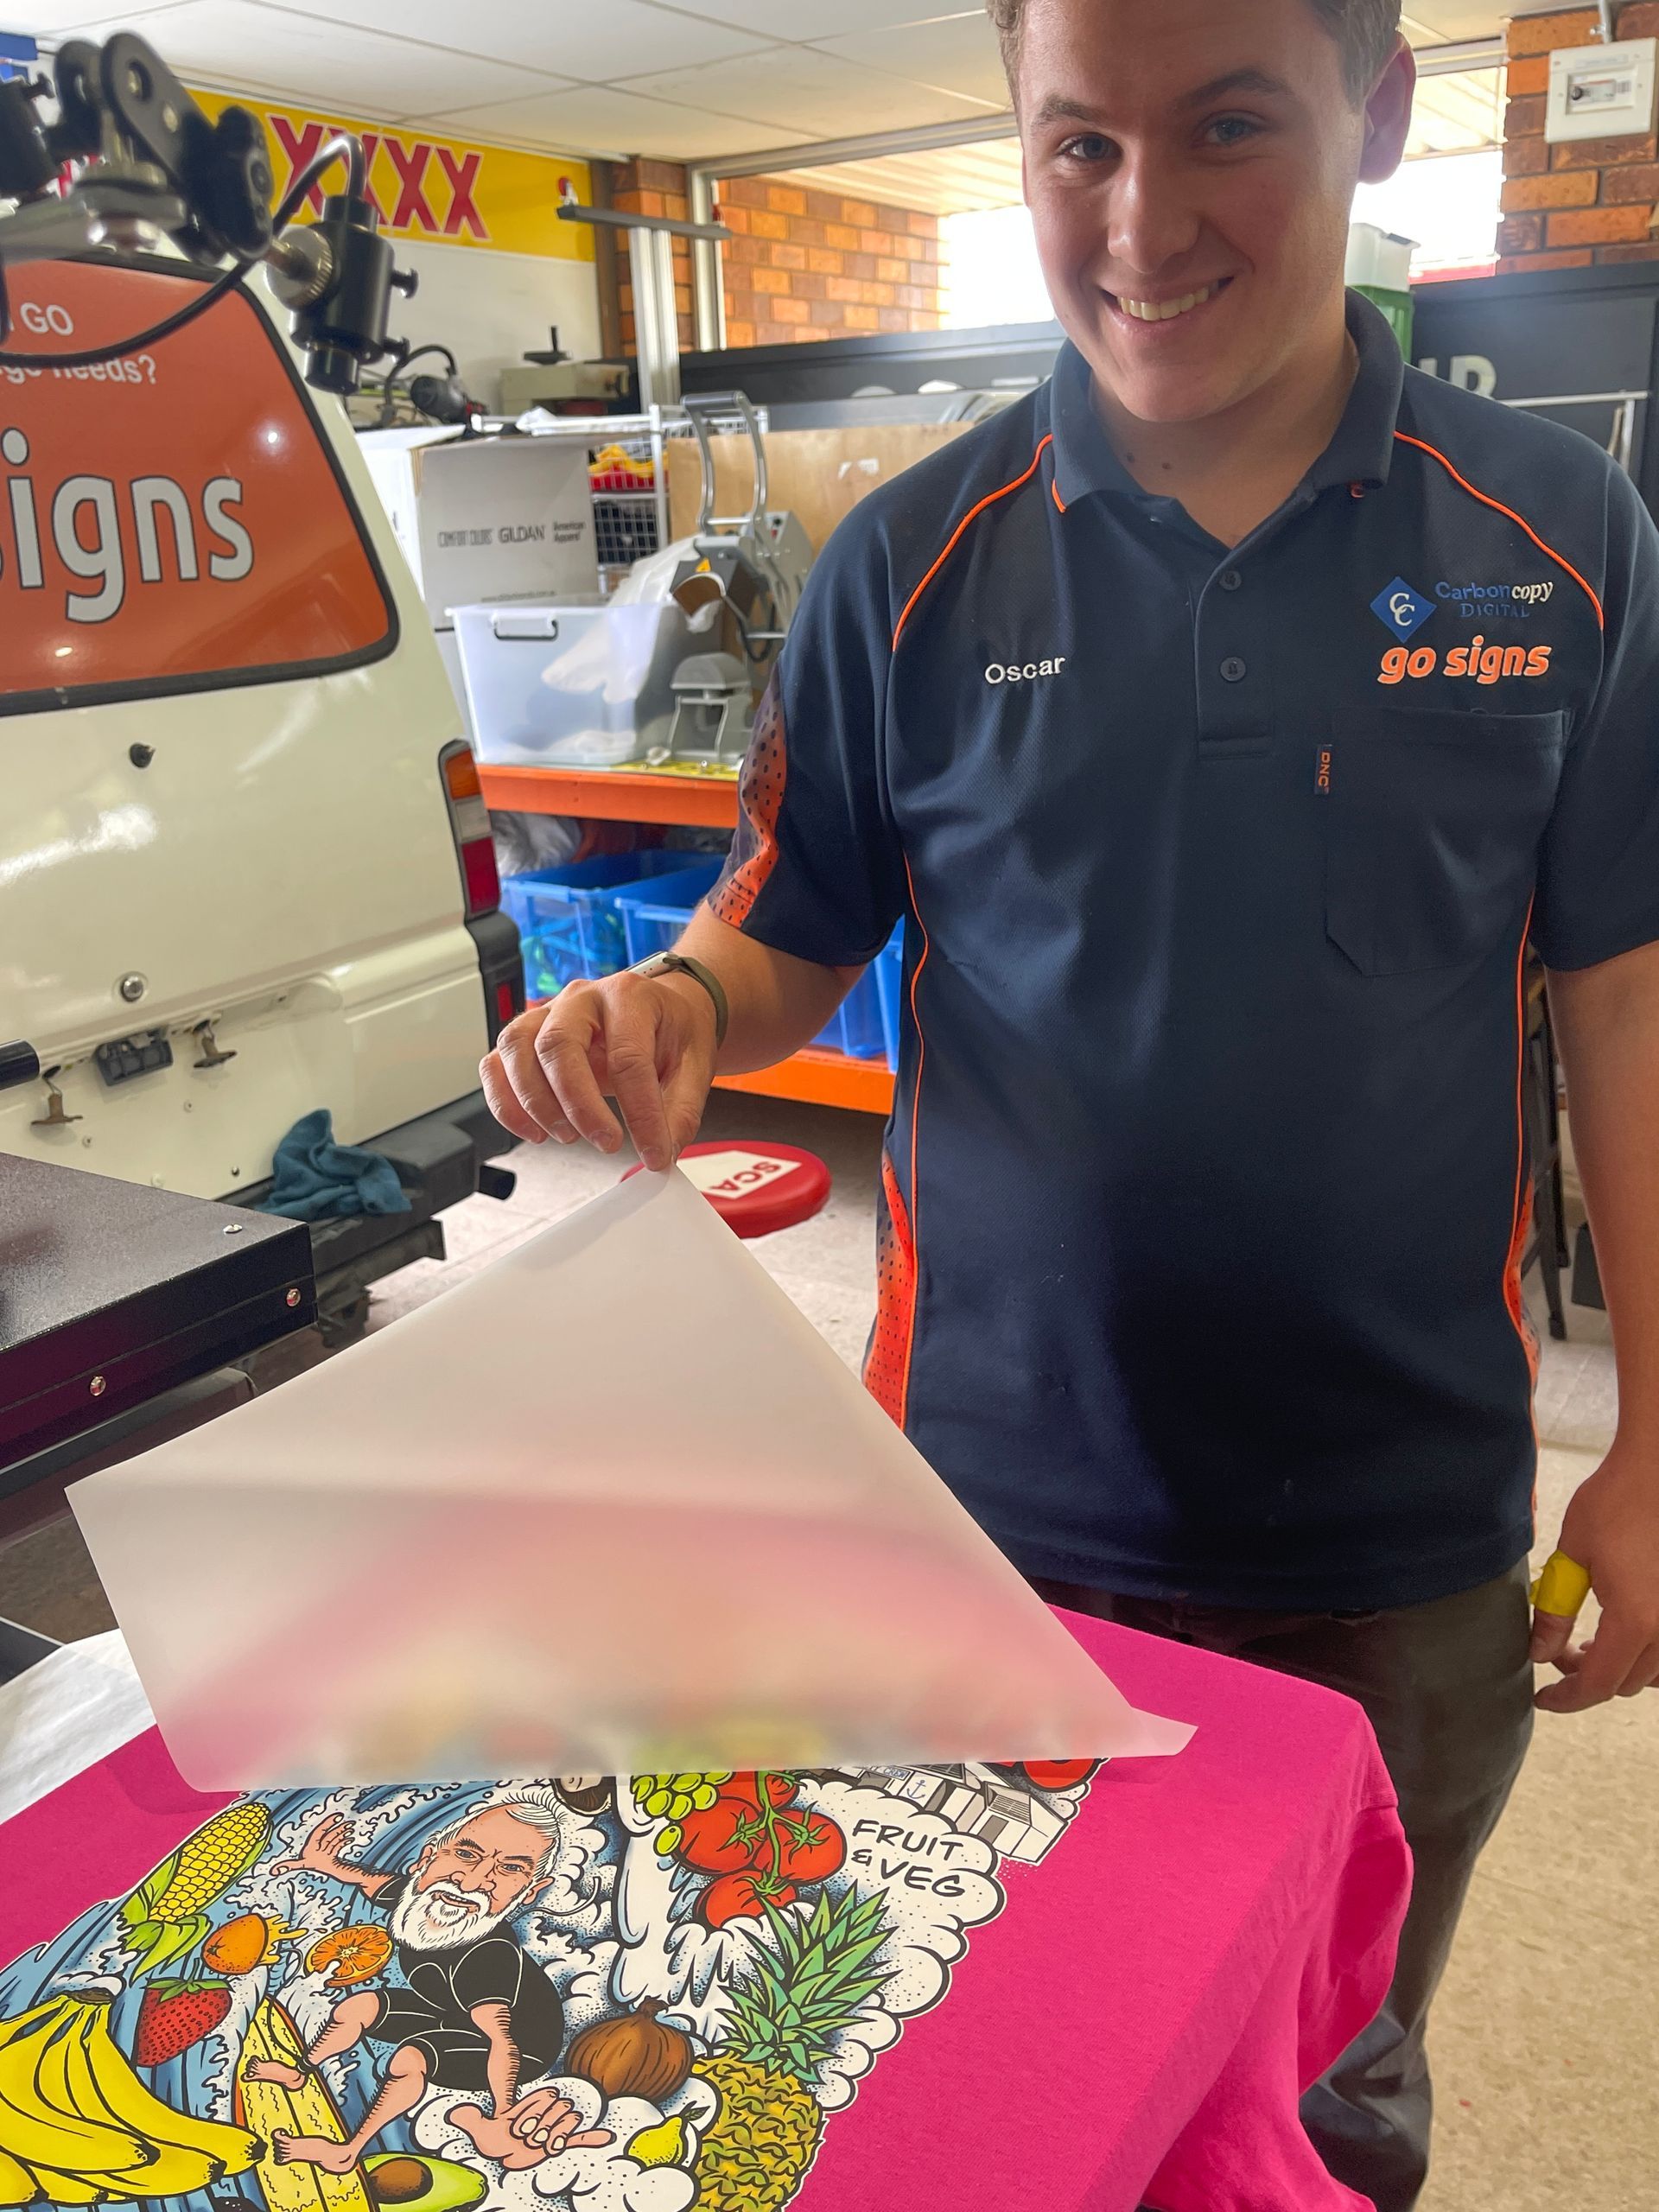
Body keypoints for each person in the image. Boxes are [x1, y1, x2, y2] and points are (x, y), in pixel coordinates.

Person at [480, 1, 1659, 2202]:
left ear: (1378, 110)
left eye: (1227, 128)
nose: (1142, 222)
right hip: (994, 1511)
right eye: (1078, 147)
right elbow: (787, 928)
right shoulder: (914, 555)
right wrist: (670, 999)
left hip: (1399, 1531)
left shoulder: (1561, 534)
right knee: (990, 2045)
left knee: (1328, 2078)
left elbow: (1625, 998)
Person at [252, 1802, 611, 2170]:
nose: (471, 1882)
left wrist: (503, 2109)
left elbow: (502, 2040)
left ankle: (346, 2153)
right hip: (451, 2012)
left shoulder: (489, 1956)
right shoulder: (424, 1895)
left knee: (411, 2058)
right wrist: (324, 1864)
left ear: (531, 1891)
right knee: (359, 2008)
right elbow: (372, 1882)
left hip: (518, 2050)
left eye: (510, 1869)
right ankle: (298, 2072)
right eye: (466, 1854)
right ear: (427, 1859)